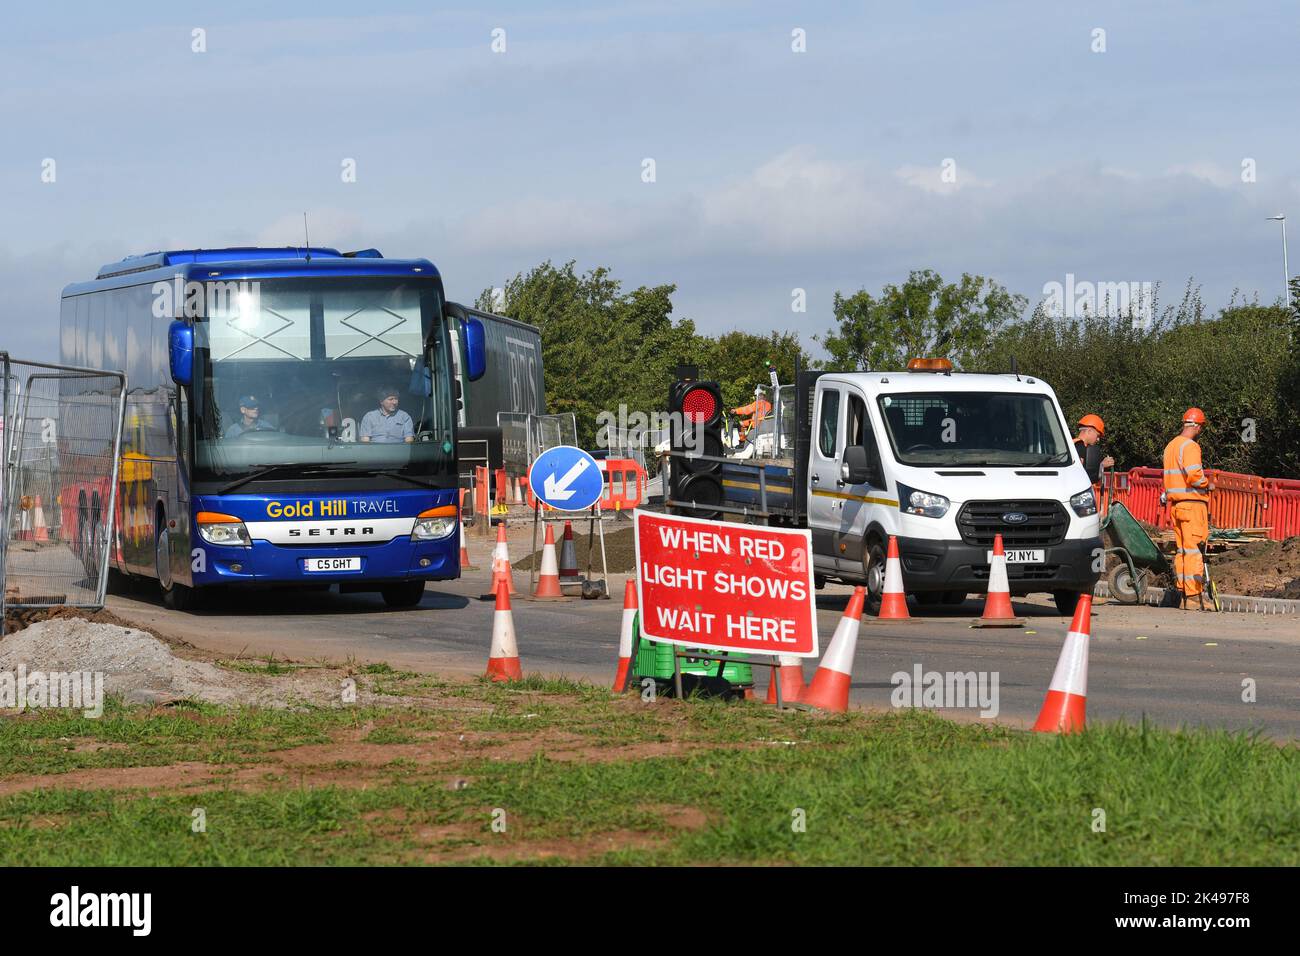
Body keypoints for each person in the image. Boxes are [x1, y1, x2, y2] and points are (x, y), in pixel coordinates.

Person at [1162, 407, 1213, 608]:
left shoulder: (1171, 446)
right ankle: (1194, 596)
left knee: (1182, 551)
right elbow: (1194, 476)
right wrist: (1207, 483)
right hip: (1192, 506)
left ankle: (1183, 593)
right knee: (1194, 551)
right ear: (1198, 426)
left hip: (1176, 506)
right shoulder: (1190, 447)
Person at [1073, 414, 1115, 484]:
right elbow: (1082, 474)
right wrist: (1102, 465)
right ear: (1089, 431)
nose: (1098, 439)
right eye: (1097, 435)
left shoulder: (1073, 444)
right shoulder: (1080, 447)